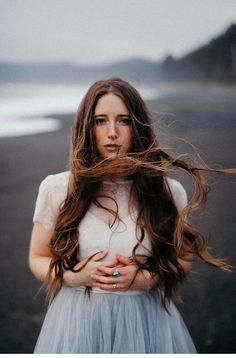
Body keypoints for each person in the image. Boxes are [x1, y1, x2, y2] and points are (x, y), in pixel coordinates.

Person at [29, 77, 230, 353]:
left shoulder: (167, 192)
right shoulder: (57, 188)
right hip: (76, 323)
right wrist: (73, 276)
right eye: (100, 121)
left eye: (123, 120)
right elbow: (38, 258)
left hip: (147, 323)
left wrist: (147, 278)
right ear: (87, 127)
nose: (112, 132)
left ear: (138, 126)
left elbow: (183, 259)